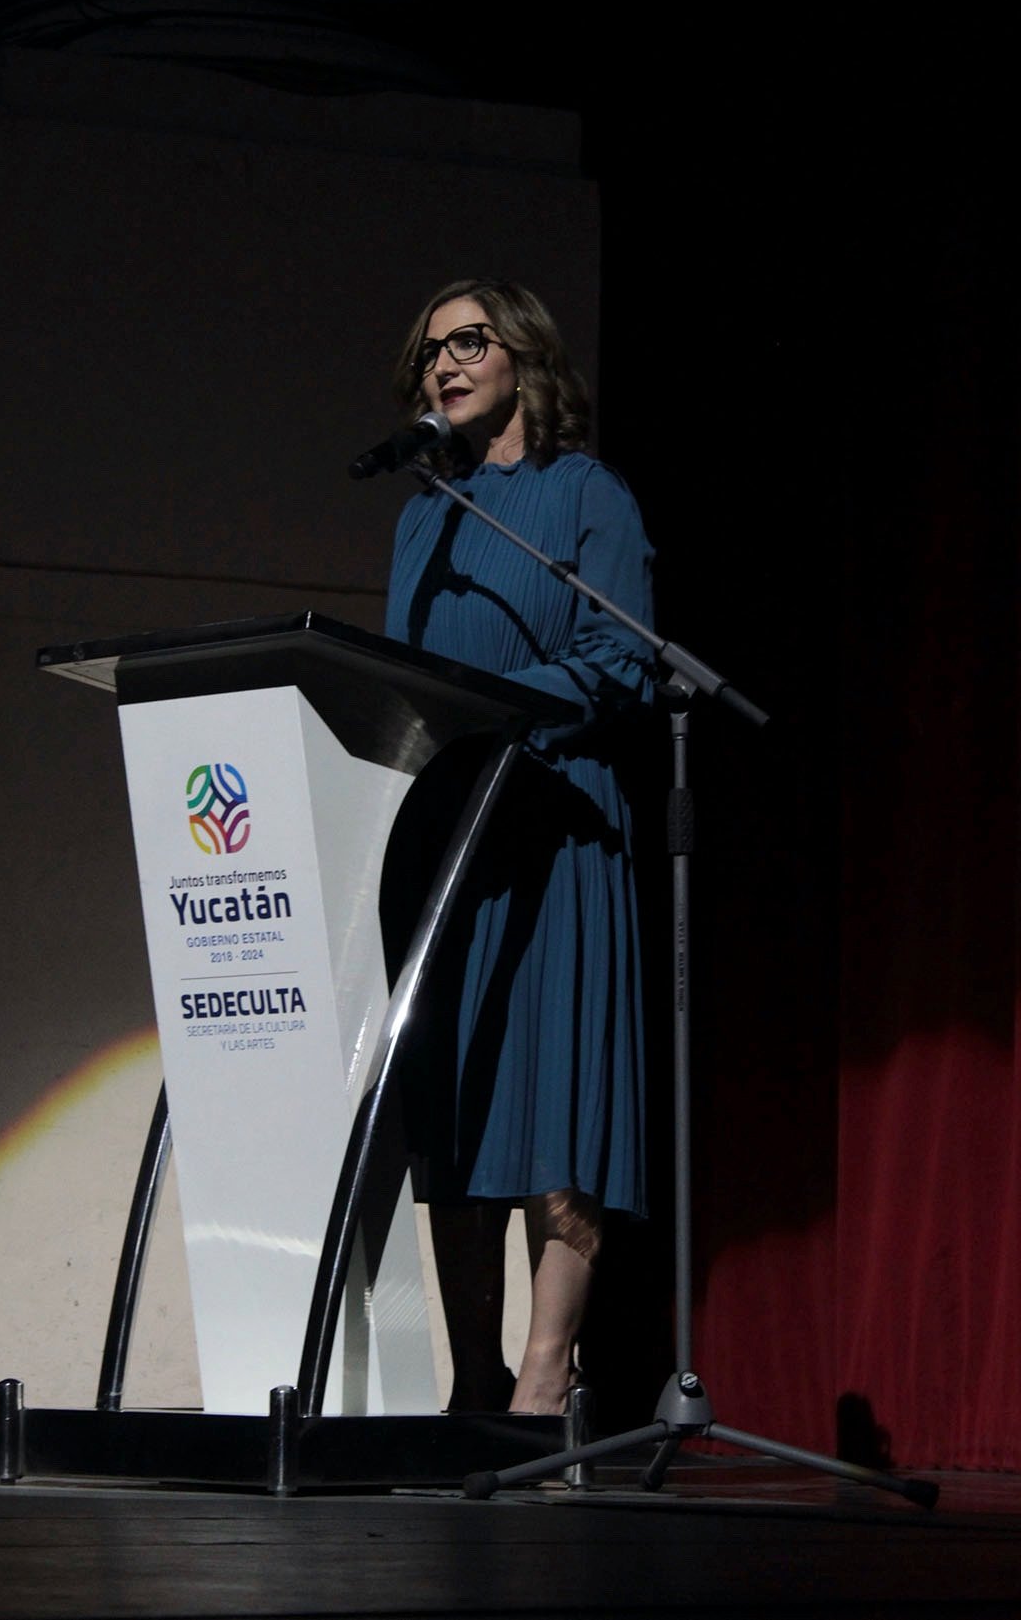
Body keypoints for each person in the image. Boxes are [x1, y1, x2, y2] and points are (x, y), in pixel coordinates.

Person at [383, 278, 656, 1415]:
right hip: (454, 835)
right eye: (428, 351)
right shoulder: (425, 516)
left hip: (557, 824)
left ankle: (545, 1378)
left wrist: (501, 704)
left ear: (524, 355)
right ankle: (475, 1379)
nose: (443, 364)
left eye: (467, 341)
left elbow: (620, 658)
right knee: (456, 1111)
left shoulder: (586, 493)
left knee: (558, 1109)